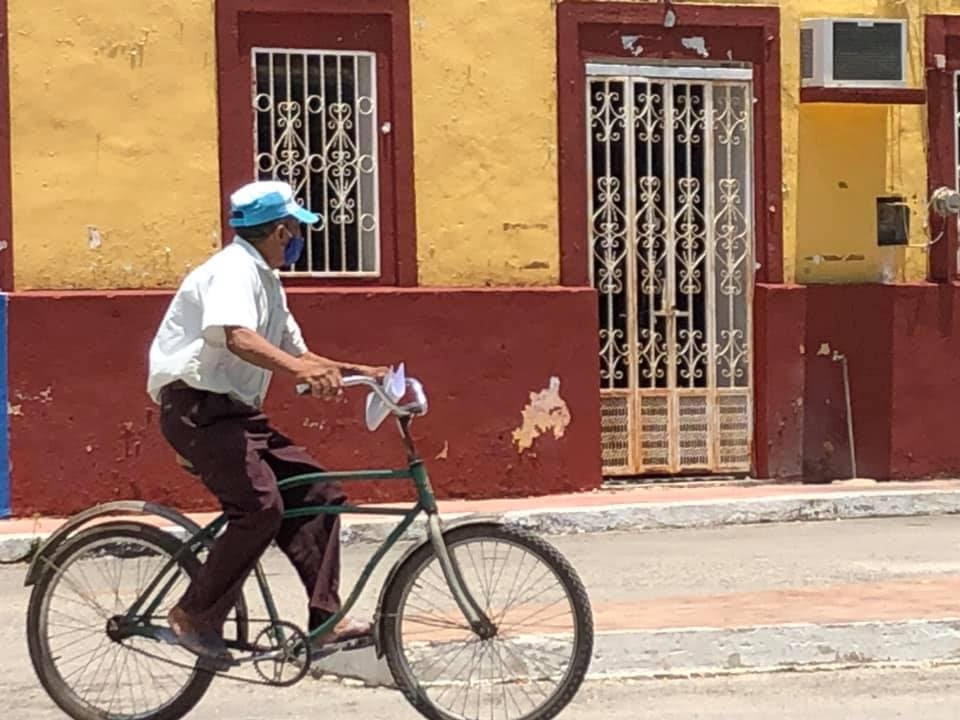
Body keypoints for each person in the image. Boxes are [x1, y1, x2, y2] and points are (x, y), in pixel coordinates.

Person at [147, 180, 382, 665]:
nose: (296, 238)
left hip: (234, 413)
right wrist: (299, 371)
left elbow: (302, 354)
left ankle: (324, 624)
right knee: (259, 509)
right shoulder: (234, 271)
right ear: (279, 230)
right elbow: (237, 338)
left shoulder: (266, 280)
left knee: (318, 493)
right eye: (295, 229)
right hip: (199, 410)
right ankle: (195, 613)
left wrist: (363, 373)